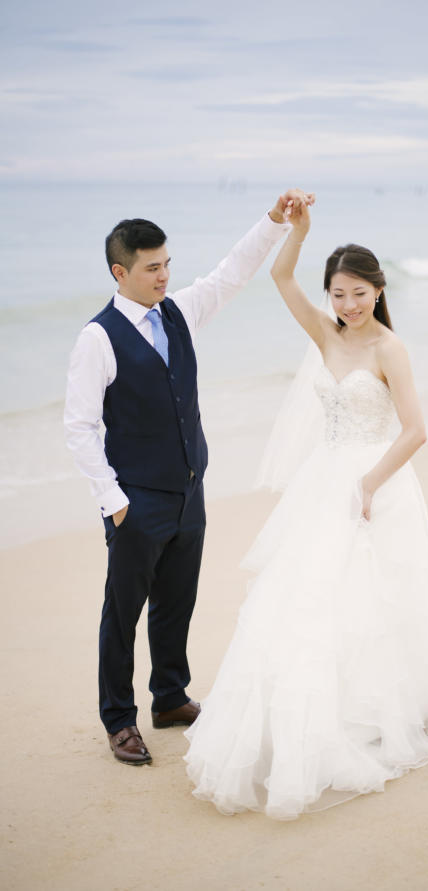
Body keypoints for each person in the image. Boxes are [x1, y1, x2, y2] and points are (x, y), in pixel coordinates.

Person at [184, 199, 428, 819]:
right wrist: (300, 231)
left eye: (358, 293)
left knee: (372, 598)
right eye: (338, 294)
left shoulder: (390, 349)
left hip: (375, 479)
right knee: (306, 596)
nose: (347, 305)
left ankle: (376, 708)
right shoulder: (324, 332)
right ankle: (317, 711)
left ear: (378, 290)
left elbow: (416, 430)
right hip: (322, 481)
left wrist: (369, 484)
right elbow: (280, 278)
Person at [64, 188, 314, 765]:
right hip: (135, 500)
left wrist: (275, 221)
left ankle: (170, 698)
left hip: (188, 491)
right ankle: (119, 720)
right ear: (119, 271)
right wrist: (113, 500)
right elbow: (79, 427)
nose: (164, 276)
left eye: (168, 263)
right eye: (152, 268)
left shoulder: (180, 312)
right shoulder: (97, 338)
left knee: (177, 602)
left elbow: (232, 273)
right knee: (122, 613)